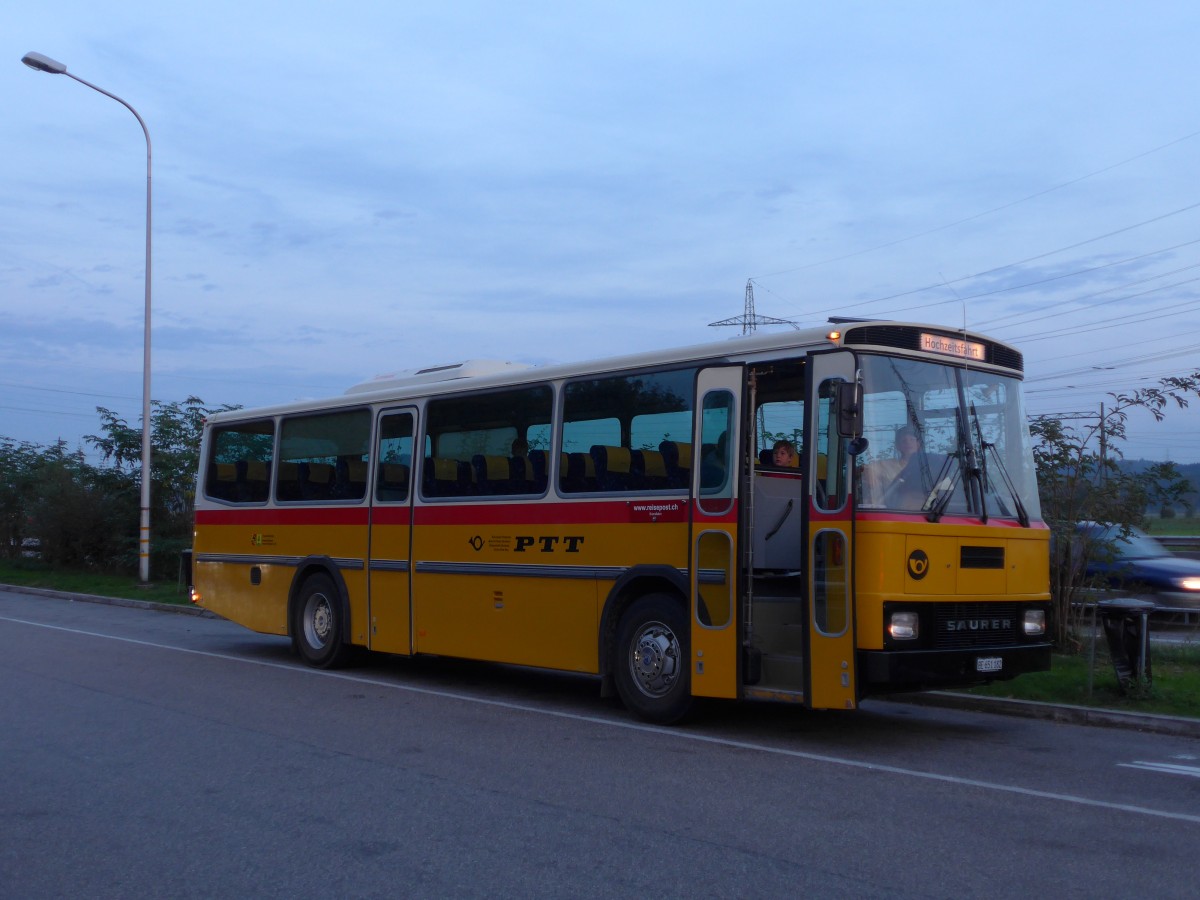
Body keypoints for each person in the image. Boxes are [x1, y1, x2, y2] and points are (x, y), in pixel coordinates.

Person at [864, 424, 924, 507]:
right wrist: (869, 473)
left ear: (918, 444)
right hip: (891, 513)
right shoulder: (886, 465)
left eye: (912, 439)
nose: (908, 443)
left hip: (922, 514)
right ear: (897, 446)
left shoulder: (928, 468)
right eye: (904, 440)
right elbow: (866, 469)